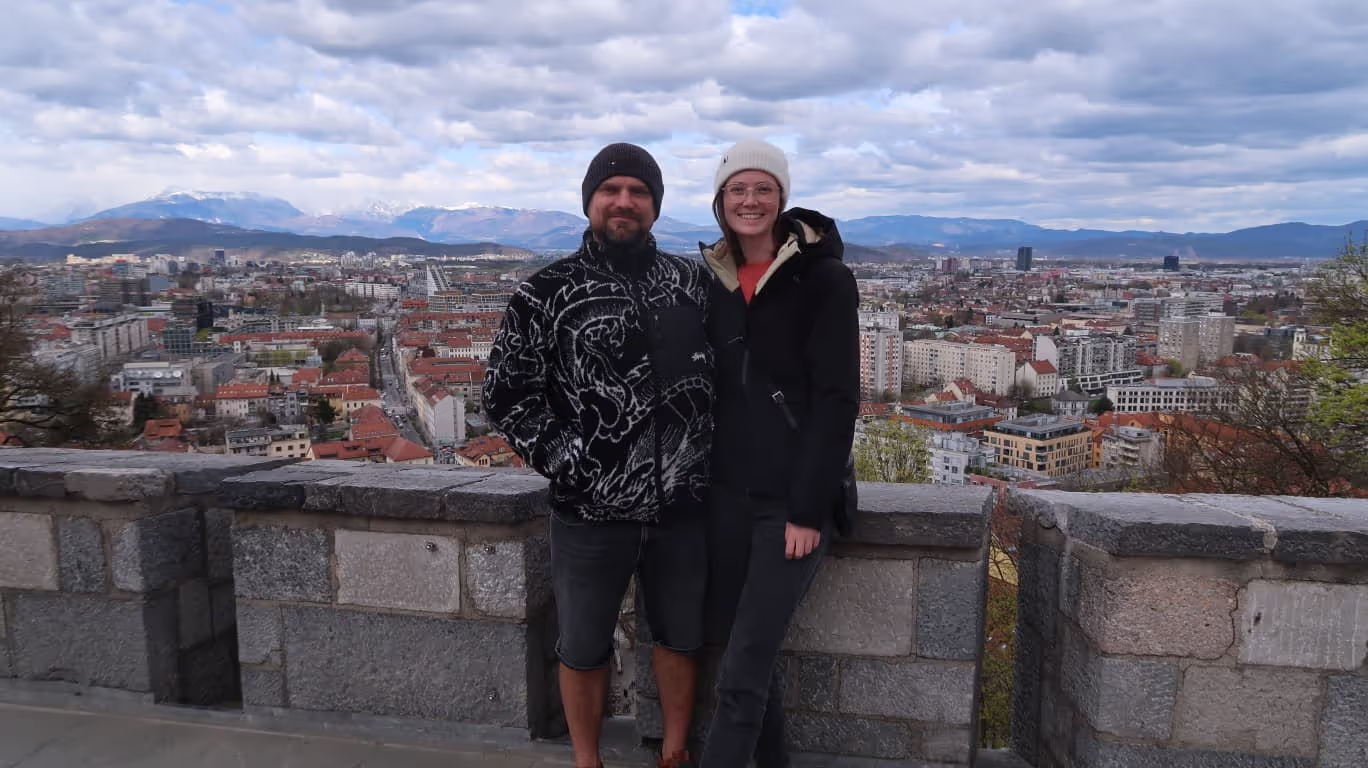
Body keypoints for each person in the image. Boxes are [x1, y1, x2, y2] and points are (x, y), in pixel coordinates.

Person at [484, 143, 714, 768]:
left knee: (679, 638)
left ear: (655, 206)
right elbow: (507, 392)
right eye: (610, 190)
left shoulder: (691, 283)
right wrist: (568, 458)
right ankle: (588, 761)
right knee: (583, 645)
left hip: (683, 505)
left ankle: (673, 752)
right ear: (589, 201)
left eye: (638, 192)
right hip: (589, 511)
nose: (624, 202)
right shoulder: (546, 291)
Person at [698, 139, 859, 768]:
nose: (750, 199)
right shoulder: (711, 279)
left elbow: (837, 400)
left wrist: (806, 508)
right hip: (725, 498)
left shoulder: (825, 280)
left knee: (739, 675)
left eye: (763, 187)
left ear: (783, 199)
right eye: (737, 188)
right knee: (745, 661)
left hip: (787, 506)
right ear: (720, 201)